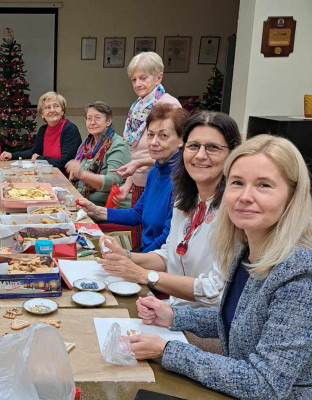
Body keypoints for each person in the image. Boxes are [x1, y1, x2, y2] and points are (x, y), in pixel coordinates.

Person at [130, 135, 312, 399]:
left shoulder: (300, 274)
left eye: (264, 185)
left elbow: (265, 384)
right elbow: (237, 322)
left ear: (292, 197)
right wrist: (173, 316)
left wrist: (167, 350)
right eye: (237, 183)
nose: (245, 197)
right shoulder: (244, 251)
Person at [98, 112, 242, 307]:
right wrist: (128, 256)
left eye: (213, 148)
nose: (200, 155)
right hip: (171, 311)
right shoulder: (184, 200)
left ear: (232, 154)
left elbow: (216, 291)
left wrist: (143, 275)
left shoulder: (236, 212)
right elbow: (169, 254)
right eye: (194, 146)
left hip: (205, 330)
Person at [78, 104, 188, 252]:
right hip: (146, 253)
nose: (154, 142)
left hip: (159, 261)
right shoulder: (154, 172)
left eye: (163, 135)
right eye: (150, 134)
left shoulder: (183, 180)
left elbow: (166, 240)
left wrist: (133, 260)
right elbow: (136, 214)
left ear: (181, 139)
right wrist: (95, 210)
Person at [113, 52, 182, 208]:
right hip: (139, 181)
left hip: (161, 181)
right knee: (138, 229)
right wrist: (127, 185)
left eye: (143, 78)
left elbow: (174, 154)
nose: (138, 84)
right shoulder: (138, 106)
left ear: (159, 77)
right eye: (134, 80)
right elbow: (136, 153)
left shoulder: (169, 105)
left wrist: (138, 164)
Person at [65, 101, 131, 208]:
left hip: (108, 209)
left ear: (108, 121)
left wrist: (82, 174)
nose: (92, 122)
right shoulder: (85, 145)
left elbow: (112, 181)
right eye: (89, 118)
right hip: (83, 203)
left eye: (97, 118)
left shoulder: (118, 145)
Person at [0, 91, 82, 171]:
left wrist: (39, 158)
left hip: (65, 180)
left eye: (56, 106)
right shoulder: (43, 129)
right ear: (42, 114)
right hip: (49, 175)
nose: (52, 110)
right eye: (48, 107)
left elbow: (65, 162)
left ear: (62, 111)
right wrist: (12, 155)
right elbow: (34, 152)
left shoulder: (70, 129)